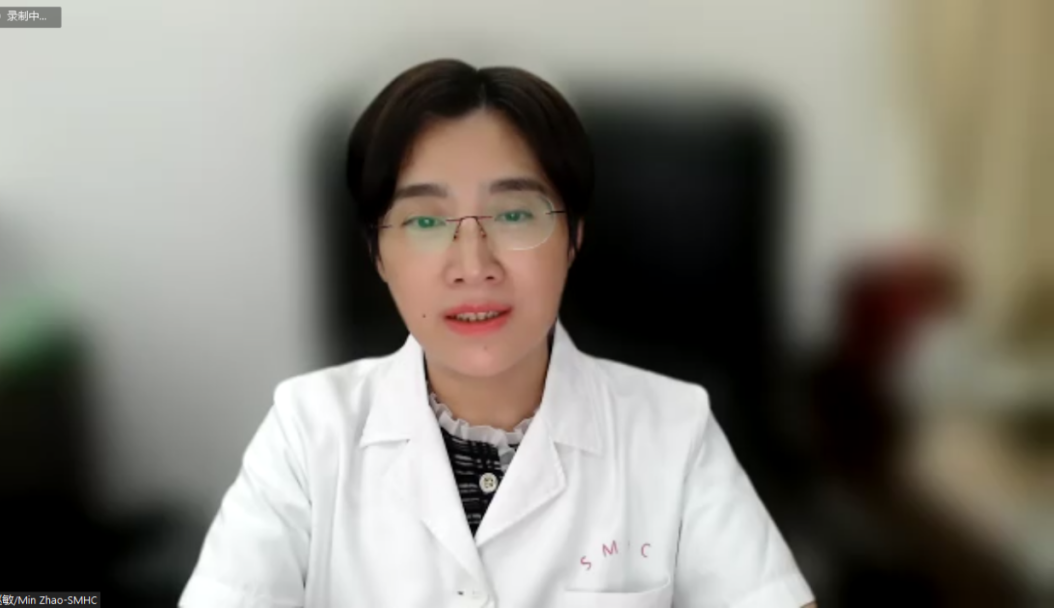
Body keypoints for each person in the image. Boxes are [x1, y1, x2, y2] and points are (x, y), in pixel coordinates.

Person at [179, 59, 817, 608]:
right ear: (376, 254)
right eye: (425, 222)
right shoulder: (307, 432)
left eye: (514, 214)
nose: (473, 264)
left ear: (574, 237)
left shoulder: (673, 432)